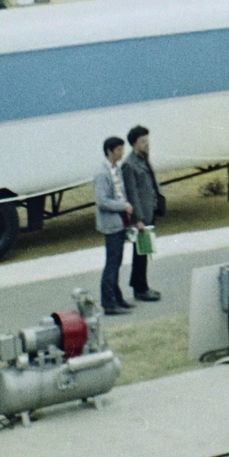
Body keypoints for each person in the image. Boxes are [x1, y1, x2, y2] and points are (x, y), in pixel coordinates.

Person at [121, 126, 164, 302]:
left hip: (149, 211)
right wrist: (137, 219)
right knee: (141, 252)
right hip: (141, 216)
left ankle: (140, 285)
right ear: (134, 143)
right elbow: (132, 193)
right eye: (142, 141)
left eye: (147, 140)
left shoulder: (143, 159)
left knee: (144, 252)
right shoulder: (129, 164)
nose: (146, 144)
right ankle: (140, 288)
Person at [95, 136, 136, 315]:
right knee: (112, 263)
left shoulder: (116, 170)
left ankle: (117, 298)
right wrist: (123, 206)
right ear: (109, 151)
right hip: (111, 224)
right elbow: (102, 200)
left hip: (121, 223)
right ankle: (109, 302)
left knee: (117, 262)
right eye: (119, 149)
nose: (122, 152)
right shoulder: (102, 174)